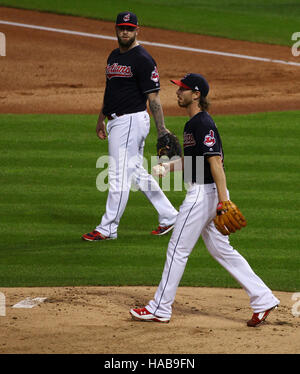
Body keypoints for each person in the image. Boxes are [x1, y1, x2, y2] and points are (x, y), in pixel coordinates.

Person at [130, 73, 280, 327]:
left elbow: (215, 163)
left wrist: (223, 201)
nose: (178, 93)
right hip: (209, 194)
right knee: (221, 249)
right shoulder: (193, 124)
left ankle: (160, 308)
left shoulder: (203, 123)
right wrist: (168, 169)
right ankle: (263, 298)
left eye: (183, 90)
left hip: (204, 195)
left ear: (196, 94)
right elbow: (193, 161)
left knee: (177, 250)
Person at [82, 12, 178, 241]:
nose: (125, 32)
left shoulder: (143, 59)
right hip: (116, 121)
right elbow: (110, 90)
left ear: (137, 30)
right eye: (121, 28)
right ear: (115, 29)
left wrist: (162, 128)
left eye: (129, 28)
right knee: (135, 171)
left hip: (131, 121)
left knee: (117, 174)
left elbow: (153, 98)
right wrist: (101, 118)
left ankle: (108, 228)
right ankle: (169, 215)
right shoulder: (113, 56)